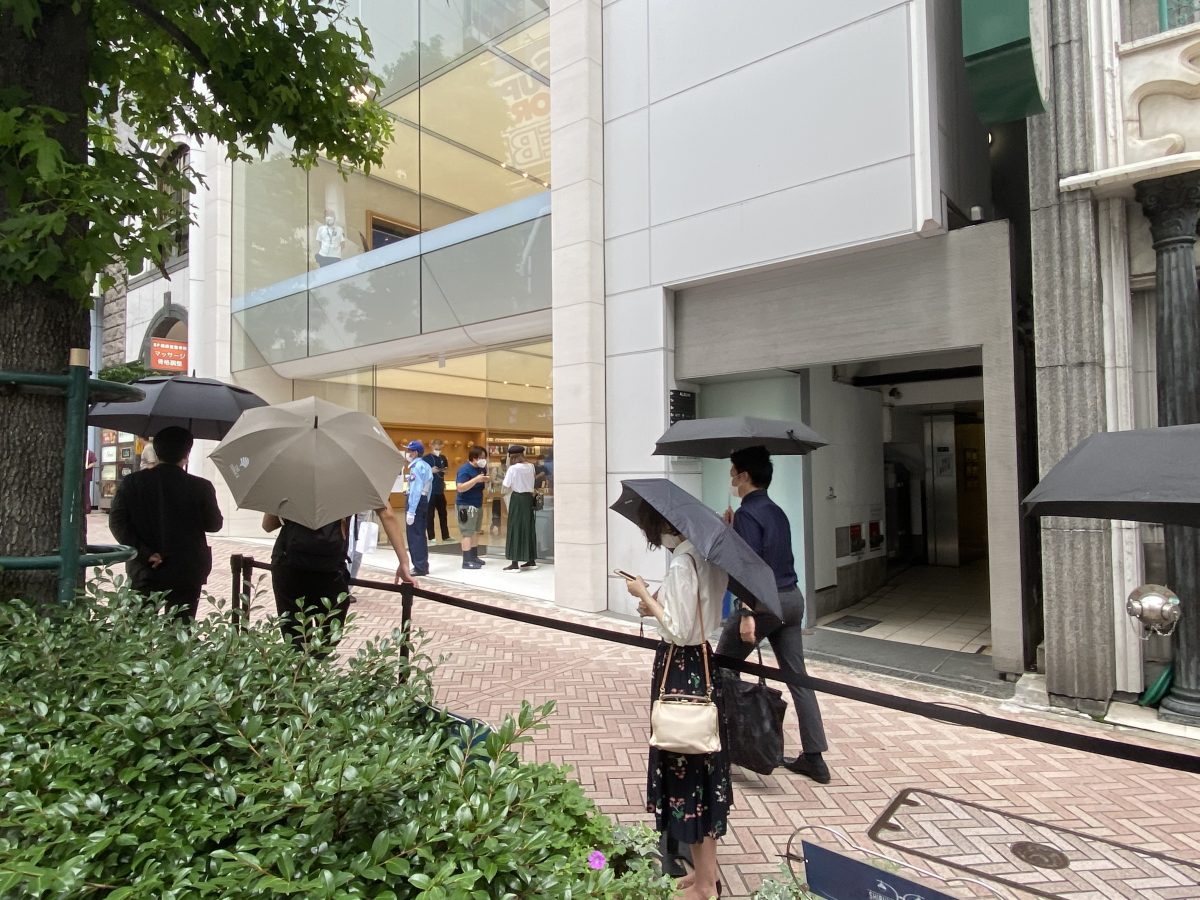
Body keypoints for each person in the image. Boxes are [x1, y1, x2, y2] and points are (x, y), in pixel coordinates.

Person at [621, 504, 730, 900]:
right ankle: (705, 875)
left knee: (688, 767)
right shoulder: (707, 558)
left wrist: (644, 596)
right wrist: (654, 602)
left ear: (667, 526)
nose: (655, 538)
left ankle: (705, 887)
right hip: (702, 665)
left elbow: (679, 629)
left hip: (681, 667)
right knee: (703, 770)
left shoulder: (684, 564)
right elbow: (693, 617)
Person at [718, 445, 831, 784]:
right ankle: (815, 757)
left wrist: (748, 613)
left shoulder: (748, 514)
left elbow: (751, 567)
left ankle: (724, 747)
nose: (731, 478)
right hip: (792, 600)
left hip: (763, 604)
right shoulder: (775, 510)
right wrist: (731, 529)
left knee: (722, 668)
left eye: (733, 471)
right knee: (798, 678)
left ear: (745, 475)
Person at [263, 505, 414, 656]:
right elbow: (386, 513)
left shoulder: (292, 481)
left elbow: (267, 525)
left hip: (289, 563)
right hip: (330, 567)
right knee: (329, 635)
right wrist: (403, 562)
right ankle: (311, 670)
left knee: (295, 638)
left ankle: (302, 674)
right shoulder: (354, 481)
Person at [109, 426, 223, 622]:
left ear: (157, 451)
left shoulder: (132, 482)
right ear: (187, 453)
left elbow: (117, 522)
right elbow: (214, 524)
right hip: (186, 570)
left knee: (139, 630)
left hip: (145, 569)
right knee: (179, 631)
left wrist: (144, 553)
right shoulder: (200, 486)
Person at [501, 445, 537, 571]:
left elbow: (506, 484)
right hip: (528, 498)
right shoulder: (531, 466)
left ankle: (514, 562)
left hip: (517, 498)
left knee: (515, 527)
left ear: (512, 457)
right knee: (528, 527)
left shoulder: (513, 469)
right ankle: (531, 559)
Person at [455, 446, 489, 569]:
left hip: (477, 503)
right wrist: (476, 479)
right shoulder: (464, 470)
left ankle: (474, 556)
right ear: (474, 458)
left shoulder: (482, 469)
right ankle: (466, 560)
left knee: (475, 531)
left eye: (485, 458)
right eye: (481, 458)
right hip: (466, 504)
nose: (483, 460)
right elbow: (460, 487)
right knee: (467, 532)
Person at [403, 440, 433, 576]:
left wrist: (411, 511)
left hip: (416, 501)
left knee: (414, 535)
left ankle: (419, 566)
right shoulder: (426, 465)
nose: (407, 453)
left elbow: (415, 490)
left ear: (415, 452)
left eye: (409, 451)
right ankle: (422, 564)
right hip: (423, 501)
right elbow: (429, 488)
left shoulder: (416, 467)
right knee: (421, 533)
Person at [423, 439, 452, 544]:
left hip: (440, 490)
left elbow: (446, 469)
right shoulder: (426, 458)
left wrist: (444, 471)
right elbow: (420, 472)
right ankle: (431, 537)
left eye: (440, 448)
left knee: (443, 514)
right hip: (430, 490)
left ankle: (446, 535)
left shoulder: (443, 458)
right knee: (430, 515)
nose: (438, 450)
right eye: (436, 448)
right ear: (431, 446)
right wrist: (430, 471)